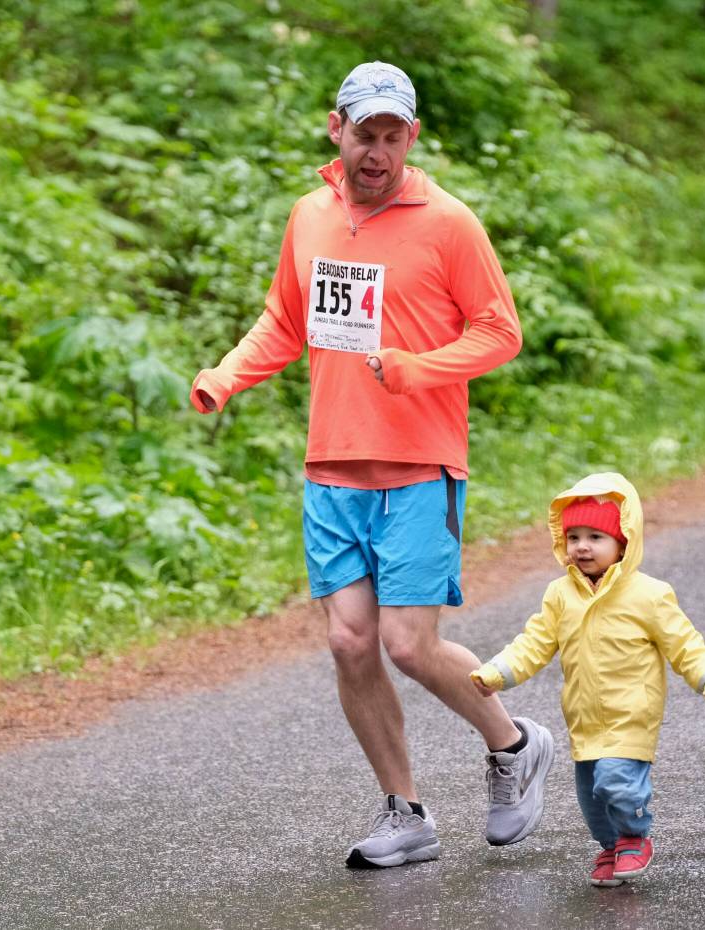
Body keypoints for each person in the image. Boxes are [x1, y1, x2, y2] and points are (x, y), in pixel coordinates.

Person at [190, 60, 554, 869]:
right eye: (366, 135)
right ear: (337, 130)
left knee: (408, 645)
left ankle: (514, 742)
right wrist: (224, 376)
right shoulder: (310, 217)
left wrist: (421, 367)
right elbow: (284, 323)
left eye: (394, 137)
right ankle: (406, 812)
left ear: (412, 138)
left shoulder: (449, 222)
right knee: (351, 644)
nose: (378, 152)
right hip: (333, 465)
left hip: (421, 464)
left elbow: (500, 332)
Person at [471, 472, 705, 886]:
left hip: (632, 714)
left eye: (595, 536)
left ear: (623, 543)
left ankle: (635, 837)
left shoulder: (648, 594)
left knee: (618, 782)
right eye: (574, 536)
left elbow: (685, 643)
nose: (581, 546)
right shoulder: (561, 595)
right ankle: (612, 845)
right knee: (593, 800)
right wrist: (496, 674)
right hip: (583, 719)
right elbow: (534, 643)